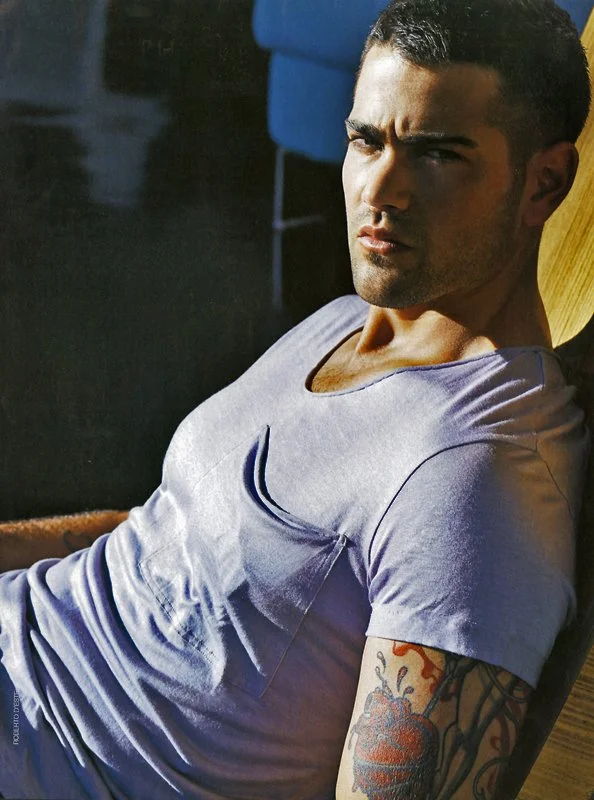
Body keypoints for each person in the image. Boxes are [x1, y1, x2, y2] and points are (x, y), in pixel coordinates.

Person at [0, 0, 591, 797]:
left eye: (436, 154)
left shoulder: (474, 477)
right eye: (365, 141)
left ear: (544, 181)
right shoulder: (349, 321)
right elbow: (170, 539)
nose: (381, 190)